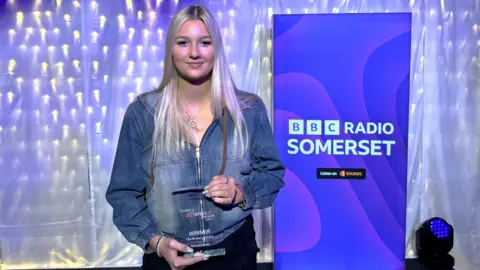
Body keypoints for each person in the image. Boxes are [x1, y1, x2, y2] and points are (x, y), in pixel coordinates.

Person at [105, 5, 285, 270]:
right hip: (166, 256)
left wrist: (240, 192)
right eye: (183, 43)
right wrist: (156, 243)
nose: (194, 53)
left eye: (204, 42)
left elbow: (272, 174)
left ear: (216, 49)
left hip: (234, 254)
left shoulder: (248, 109)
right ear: (171, 50)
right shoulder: (143, 113)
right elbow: (123, 193)